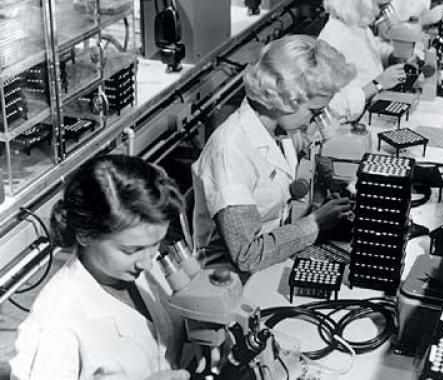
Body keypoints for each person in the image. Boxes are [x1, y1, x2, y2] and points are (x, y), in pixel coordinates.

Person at [10, 154, 190, 380]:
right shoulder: (56, 322)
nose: (146, 263)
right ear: (86, 235)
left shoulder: (140, 263)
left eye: (155, 244)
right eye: (130, 250)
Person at [192, 34, 354, 274]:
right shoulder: (230, 153)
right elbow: (247, 255)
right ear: (286, 98)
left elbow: (305, 156)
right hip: (231, 279)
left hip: (277, 253)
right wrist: (316, 223)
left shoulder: (280, 127)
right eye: (314, 111)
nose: (315, 119)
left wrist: (329, 177)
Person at [319, 0, 407, 121]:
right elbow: (331, 108)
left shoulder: (355, 24)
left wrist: (392, 55)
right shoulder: (332, 40)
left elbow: (368, 50)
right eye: (379, 5)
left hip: (374, 106)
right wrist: (377, 84)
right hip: (353, 122)